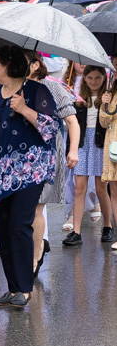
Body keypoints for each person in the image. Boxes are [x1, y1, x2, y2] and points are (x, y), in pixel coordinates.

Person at [0, 45, 59, 307]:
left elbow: (52, 128)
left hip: (28, 172)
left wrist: (24, 109)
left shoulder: (36, 91)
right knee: (4, 228)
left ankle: (24, 288)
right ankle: (12, 288)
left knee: (19, 226)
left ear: (9, 65)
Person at [24, 51, 80, 274]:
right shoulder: (13, 87)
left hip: (46, 154)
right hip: (20, 155)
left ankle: (36, 255)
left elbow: (72, 122)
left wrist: (73, 150)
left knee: (36, 207)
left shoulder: (53, 87)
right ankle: (32, 249)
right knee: (22, 209)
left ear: (36, 65)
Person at [64, 66, 113, 246]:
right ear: (84, 78)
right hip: (83, 144)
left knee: (101, 188)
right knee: (79, 188)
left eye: (98, 77)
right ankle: (76, 232)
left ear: (104, 78)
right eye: (90, 77)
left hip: (101, 144)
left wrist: (108, 104)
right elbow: (72, 126)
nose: (94, 81)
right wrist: (71, 149)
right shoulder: (78, 100)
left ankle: (107, 226)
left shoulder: (107, 98)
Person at [100, 88, 117, 250]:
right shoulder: (110, 93)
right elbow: (104, 122)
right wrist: (105, 104)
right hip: (113, 145)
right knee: (115, 190)